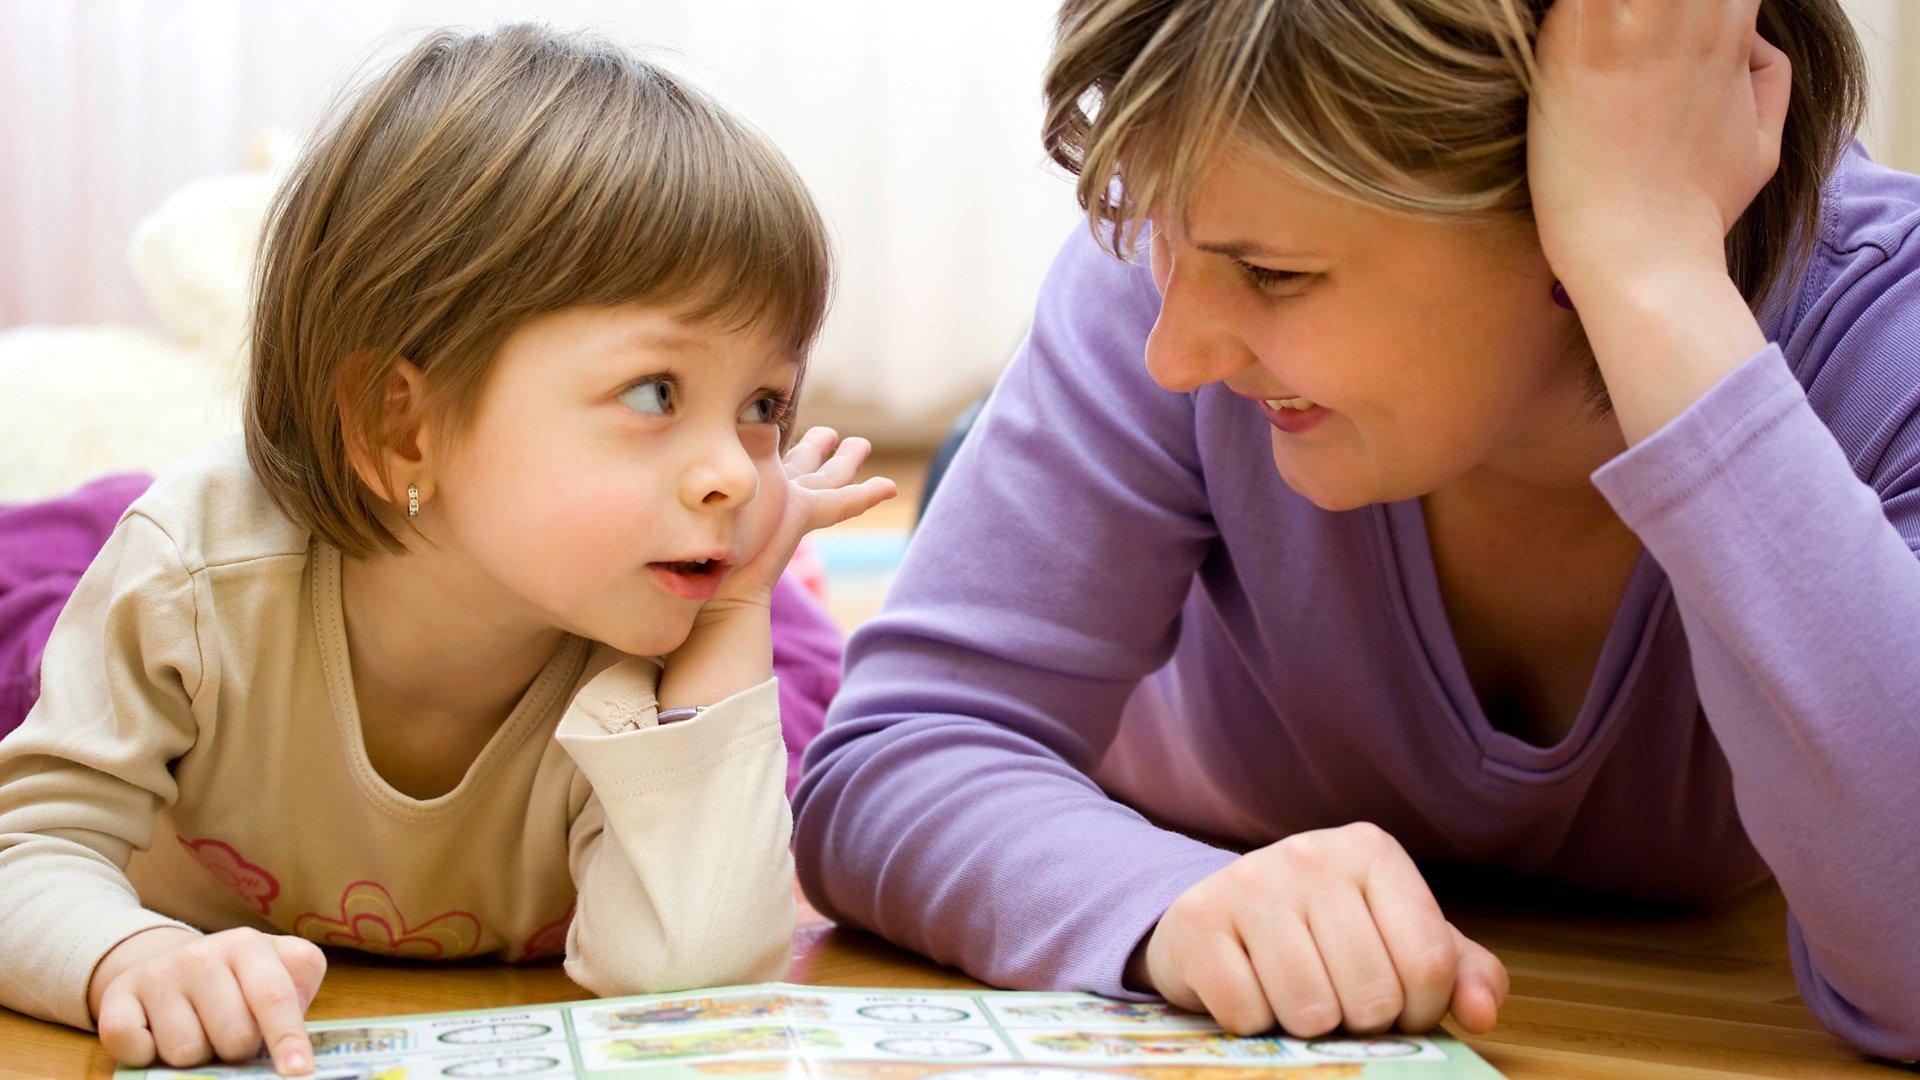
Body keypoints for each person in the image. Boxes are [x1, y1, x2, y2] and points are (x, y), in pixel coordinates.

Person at [795, 0, 1920, 1061]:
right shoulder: (1153, 297)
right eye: (1159, 238)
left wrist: (1659, 277)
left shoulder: (1882, 333)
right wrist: (1163, 901)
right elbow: (894, 762)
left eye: (1277, 274)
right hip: (1133, 719)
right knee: (991, 467)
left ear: (1576, 202)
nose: (1175, 353)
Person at [0, 24, 894, 1075]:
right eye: (656, 392)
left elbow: (688, 971)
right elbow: (32, 848)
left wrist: (741, 610)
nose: (739, 474)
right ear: (403, 427)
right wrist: (128, 953)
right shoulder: (198, 580)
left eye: (763, 404)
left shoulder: (666, 633)